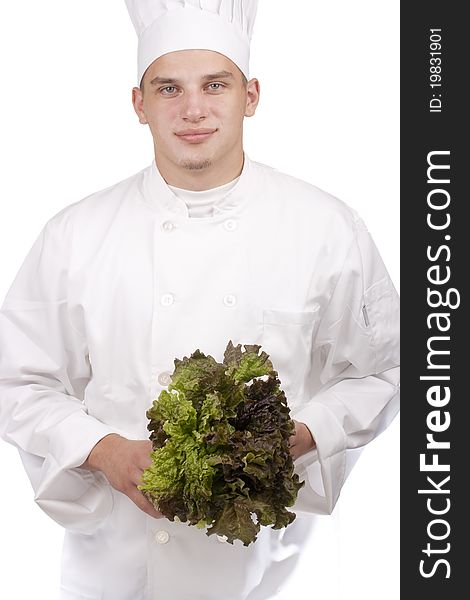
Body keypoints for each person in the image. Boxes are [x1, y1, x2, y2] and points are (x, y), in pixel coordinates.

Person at [0, 1, 400, 599]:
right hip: (112, 570)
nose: (193, 110)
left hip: (269, 572)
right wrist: (103, 450)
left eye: (216, 85)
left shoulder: (327, 229)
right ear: (139, 104)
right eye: (168, 88)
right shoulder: (74, 236)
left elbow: (390, 367)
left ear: (252, 95)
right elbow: (16, 379)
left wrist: (304, 432)